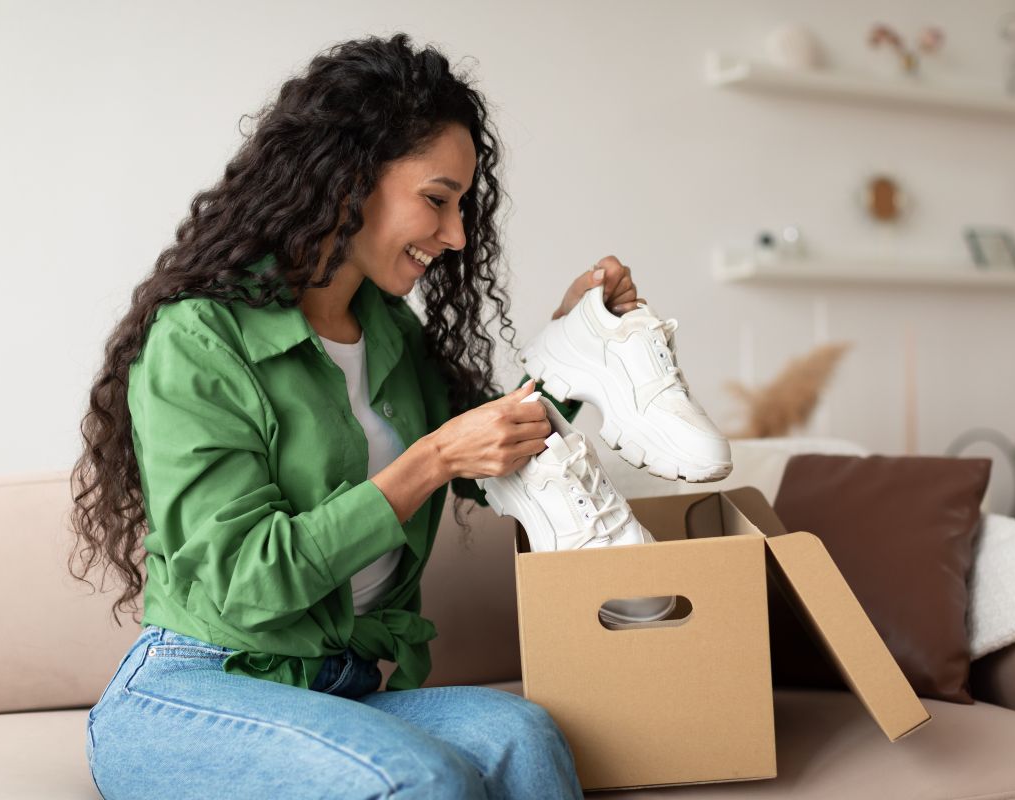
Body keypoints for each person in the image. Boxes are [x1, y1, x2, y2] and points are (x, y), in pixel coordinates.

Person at [68, 33, 645, 799]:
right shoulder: (199, 339)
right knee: (423, 779)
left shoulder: (389, 334)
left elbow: (498, 455)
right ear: (347, 179)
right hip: (199, 687)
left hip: (340, 687)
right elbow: (246, 580)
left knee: (524, 736)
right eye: (437, 200)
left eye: (463, 206)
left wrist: (578, 345)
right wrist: (428, 461)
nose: (458, 235)